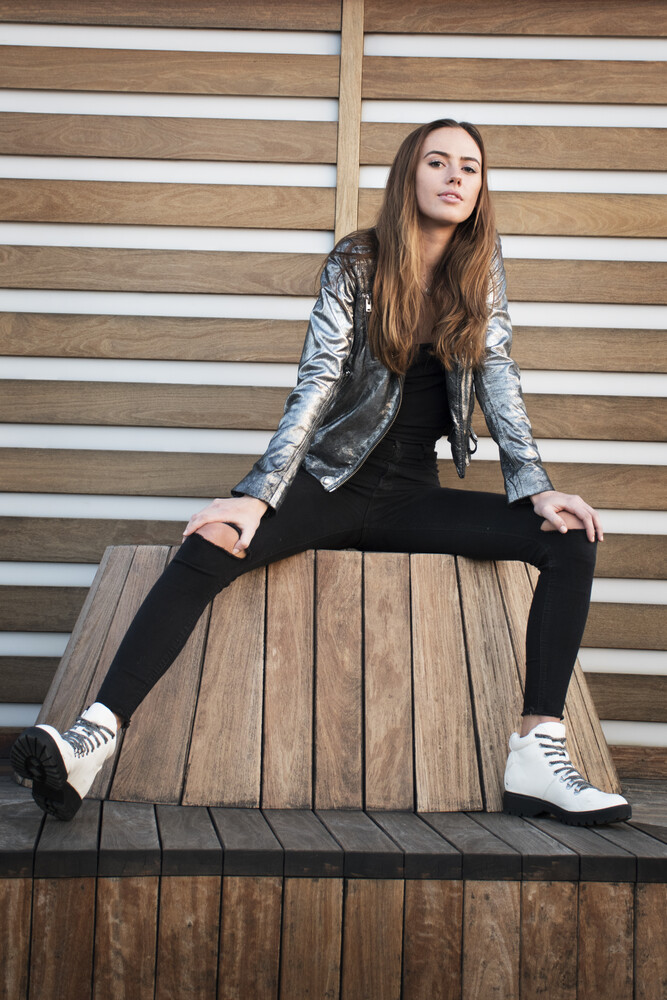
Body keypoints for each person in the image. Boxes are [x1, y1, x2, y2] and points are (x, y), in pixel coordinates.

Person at [11, 119, 630, 826]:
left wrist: (535, 486)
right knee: (215, 541)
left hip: (411, 498)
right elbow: (318, 381)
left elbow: (499, 378)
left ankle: (536, 754)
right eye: (437, 162)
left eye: (469, 166)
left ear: (480, 186)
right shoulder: (357, 261)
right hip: (331, 484)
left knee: (569, 539)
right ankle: (92, 737)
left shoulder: (480, 269)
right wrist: (258, 493)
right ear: (410, 175)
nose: (455, 176)